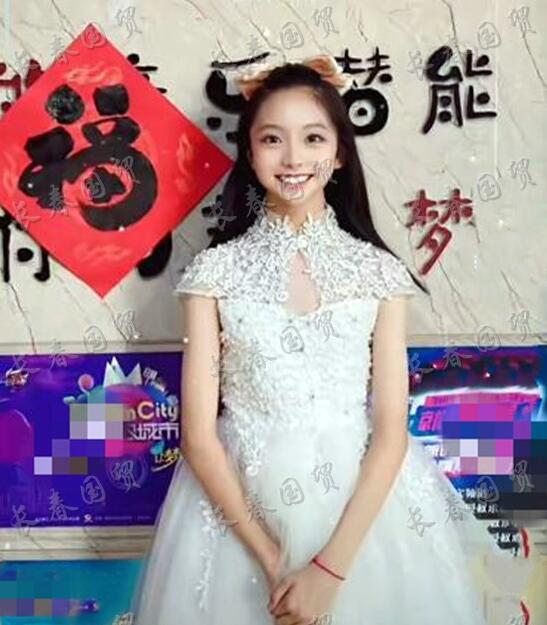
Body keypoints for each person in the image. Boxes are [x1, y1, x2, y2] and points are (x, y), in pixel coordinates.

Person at [133, 54, 522, 625]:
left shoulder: (379, 274)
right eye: (272, 139)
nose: (294, 159)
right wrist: (273, 562)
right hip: (236, 519)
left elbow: (390, 431)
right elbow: (198, 436)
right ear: (250, 152)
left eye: (313, 138)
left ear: (339, 153)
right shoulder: (212, 275)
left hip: (366, 523)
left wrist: (328, 571)